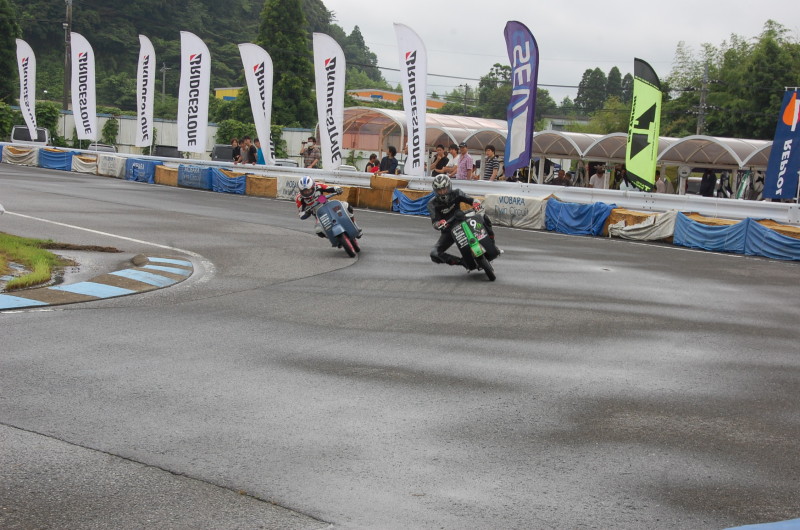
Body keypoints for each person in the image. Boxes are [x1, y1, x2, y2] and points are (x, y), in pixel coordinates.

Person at [427, 174, 498, 266]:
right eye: (439, 190)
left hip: (463, 220)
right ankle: (461, 262)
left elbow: (471, 200)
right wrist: (439, 223)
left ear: (449, 187)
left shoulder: (457, 193)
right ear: (435, 191)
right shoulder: (432, 204)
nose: (442, 192)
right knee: (434, 253)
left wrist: (476, 203)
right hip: (448, 230)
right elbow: (434, 223)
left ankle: (492, 243)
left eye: (444, 189)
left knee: (483, 217)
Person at [296, 176, 361, 238]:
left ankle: (355, 226)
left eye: (308, 190)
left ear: (313, 187)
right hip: (319, 214)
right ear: (300, 191)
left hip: (328, 205)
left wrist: (337, 189)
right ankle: (334, 238)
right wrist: (307, 212)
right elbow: (301, 214)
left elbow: (330, 188)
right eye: (304, 191)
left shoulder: (318, 186)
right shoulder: (299, 198)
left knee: (347, 206)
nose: (307, 192)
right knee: (318, 230)